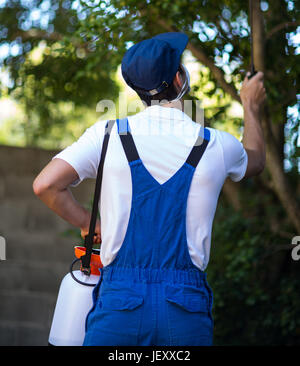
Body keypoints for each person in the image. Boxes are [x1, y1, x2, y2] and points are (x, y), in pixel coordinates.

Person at [33, 32, 266, 346]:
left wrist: (89, 224)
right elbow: (256, 161)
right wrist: (250, 106)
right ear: (179, 79)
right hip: (184, 310)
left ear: (135, 87)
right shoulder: (216, 145)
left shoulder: (105, 136)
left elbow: (46, 185)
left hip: (119, 307)